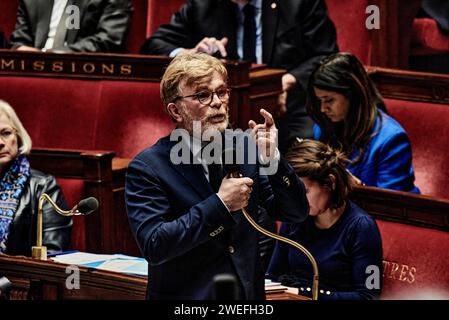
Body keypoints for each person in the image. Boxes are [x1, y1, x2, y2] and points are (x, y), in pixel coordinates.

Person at [125, 53, 309, 300]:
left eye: (222, 92)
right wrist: (220, 205)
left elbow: (294, 212)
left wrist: (273, 160)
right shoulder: (148, 167)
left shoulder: (245, 146)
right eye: (202, 95)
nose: (217, 102)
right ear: (176, 110)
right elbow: (155, 245)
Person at [140, 0, 338, 152]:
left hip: (289, 107)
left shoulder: (299, 4)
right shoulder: (203, 6)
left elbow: (326, 55)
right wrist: (191, 52)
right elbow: (153, 45)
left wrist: (289, 80)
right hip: (224, 108)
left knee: (302, 157)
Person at [267, 139, 383, 300]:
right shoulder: (294, 217)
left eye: (304, 191)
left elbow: (369, 296)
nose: (296, 200)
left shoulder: (362, 227)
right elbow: (272, 277)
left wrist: (303, 294)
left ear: (330, 183)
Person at [307, 52, 420, 193]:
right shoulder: (323, 128)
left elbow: (392, 207)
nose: (323, 109)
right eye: (320, 101)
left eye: (329, 100)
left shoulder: (392, 139)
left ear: (353, 95)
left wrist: (358, 188)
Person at [0, 100, 72, 256]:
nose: (0, 142)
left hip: (18, 279)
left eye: (6, 133)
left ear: (17, 135)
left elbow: (54, 255)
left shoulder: (43, 187)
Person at [9, 0, 133, 53]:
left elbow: (108, 41)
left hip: (83, 74)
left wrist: (50, 55)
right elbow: (19, 42)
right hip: (34, 73)